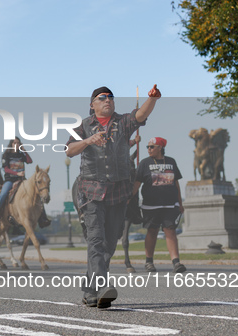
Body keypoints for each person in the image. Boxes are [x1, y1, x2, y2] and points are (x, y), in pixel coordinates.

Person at [67, 85, 161, 308]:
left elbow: (141, 115)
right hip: (91, 191)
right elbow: (69, 150)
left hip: (118, 192)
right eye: (102, 98)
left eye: (110, 97)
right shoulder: (83, 126)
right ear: (93, 104)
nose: (107, 100)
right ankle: (102, 285)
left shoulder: (123, 122)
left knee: (110, 243)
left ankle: (90, 290)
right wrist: (88, 140)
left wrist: (152, 100)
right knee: (96, 240)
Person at [132, 137, 187, 274]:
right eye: (148, 147)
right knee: (152, 231)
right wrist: (128, 199)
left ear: (160, 148)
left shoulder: (171, 162)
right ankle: (149, 262)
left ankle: (176, 262)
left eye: (152, 147)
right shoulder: (144, 163)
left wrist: (180, 203)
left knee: (170, 230)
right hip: (151, 205)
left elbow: (176, 183)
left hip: (170, 204)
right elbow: (137, 184)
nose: (149, 149)